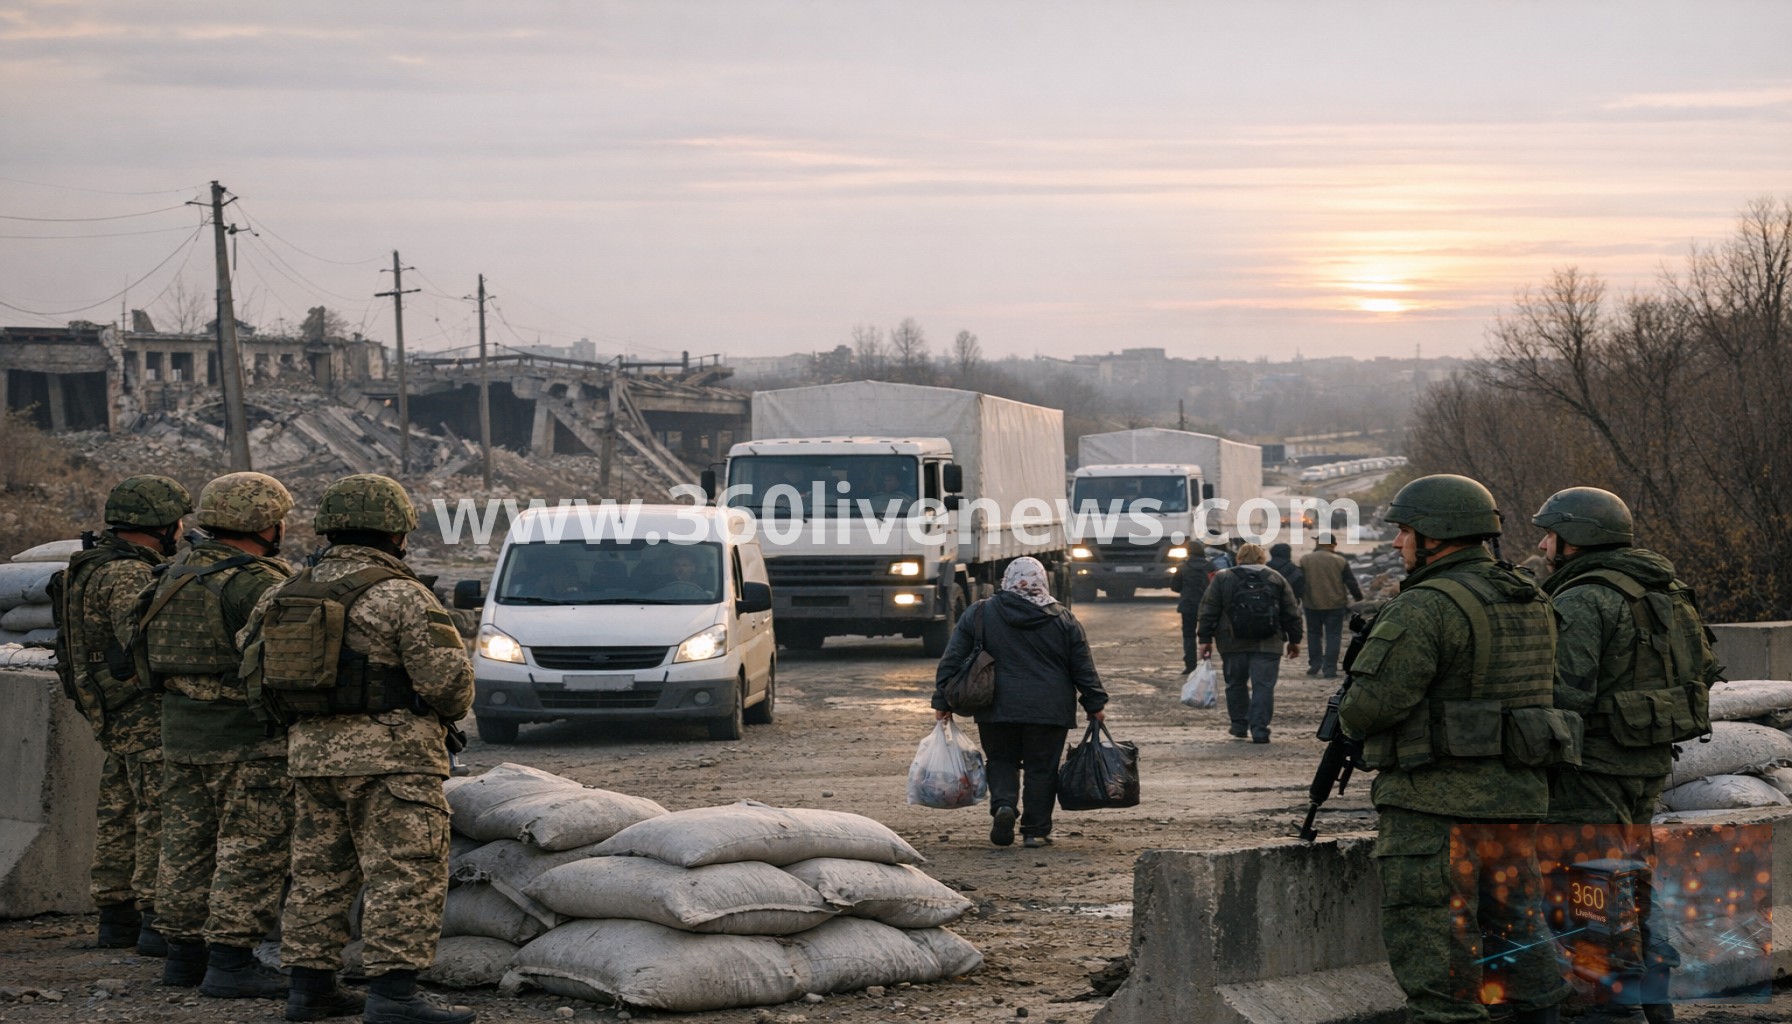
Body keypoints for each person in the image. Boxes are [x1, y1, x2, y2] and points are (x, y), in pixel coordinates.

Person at [1337, 474, 1572, 1024]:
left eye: (1405, 531)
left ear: (1437, 535)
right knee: (1518, 926)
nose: (1398, 543)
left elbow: (1369, 708)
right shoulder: (1528, 597)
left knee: (1437, 950)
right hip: (1516, 797)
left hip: (1436, 806)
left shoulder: (1425, 606)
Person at [243, 474, 476, 1024]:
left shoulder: (284, 590)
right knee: (405, 871)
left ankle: (308, 991)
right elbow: (449, 684)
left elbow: (251, 663)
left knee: (317, 873)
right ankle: (394, 996)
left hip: (309, 756)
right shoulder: (401, 594)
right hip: (392, 761)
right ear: (396, 534)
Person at [1533, 487, 1719, 1024]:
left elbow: (1562, 694)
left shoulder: (1583, 598)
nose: (1543, 543)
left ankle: (1612, 1013)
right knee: (1634, 884)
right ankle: (1654, 1004)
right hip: (1647, 760)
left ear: (1575, 539)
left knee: (1589, 890)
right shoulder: (1667, 590)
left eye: (1550, 533)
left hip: (1593, 766)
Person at [140, 472, 297, 997]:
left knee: (185, 846)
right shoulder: (255, 581)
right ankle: (230, 961)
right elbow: (286, 661)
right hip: (244, 738)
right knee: (250, 847)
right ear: (263, 524)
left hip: (181, 732)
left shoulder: (170, 574)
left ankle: (184, 956)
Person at [58, 475, 191, 954]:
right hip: (141, 710)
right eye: (177, 521)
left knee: (121, 808)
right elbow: (145, 641)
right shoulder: (128, 575)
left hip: (114, 709)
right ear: (158, 524)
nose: (181, 530)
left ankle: (117, 916)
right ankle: (155, 919)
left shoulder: (94, 565)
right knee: (158, 810)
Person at [931, 557, 1107, 850]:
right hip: (1050, 710)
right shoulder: (1063, 619)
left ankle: (1005, 807)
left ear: (1008, 580)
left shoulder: (980, 612)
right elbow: (1082, 667)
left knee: (1001, 760)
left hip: (995, 706)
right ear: (1042, 581)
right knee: (1042, 768)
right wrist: (1095, 703)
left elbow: (953, 658)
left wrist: (942, 700)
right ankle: (1035, 831)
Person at [1196, 542, 1301, 743]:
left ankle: (1239, 725)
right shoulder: (1275, 577)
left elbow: (1209, 609)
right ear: (1262, 558)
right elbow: (1291, 611)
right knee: (1263, 687)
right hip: (1268, 643)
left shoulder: (1223, 577)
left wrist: (1205, 639)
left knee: (1235, 683)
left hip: (1231, 641)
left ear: (1239, 558)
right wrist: (1294, 640)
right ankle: (1260, 729)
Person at [1299, 533, 1363, 678]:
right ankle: (1330, 669)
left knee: (1314, 634)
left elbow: (1299, 582)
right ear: (1332, 544)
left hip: (1311, 603)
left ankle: (1315, 665)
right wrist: (1358, 597)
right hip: (1335, 604)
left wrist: (1297, 598)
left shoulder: (1305, 560)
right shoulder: (1340, 560)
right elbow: (1350, 581)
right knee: (1333, 636)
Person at [1172, 539, 1218, 675]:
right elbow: (1216, 585)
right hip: (1208, 605)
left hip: (1188, 605)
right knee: (1207, 635)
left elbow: (1175, 586)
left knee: (1188, 635)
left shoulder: (1182, 567)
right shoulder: (1211, 566)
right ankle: (1206, 662)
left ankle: (1190, 665)